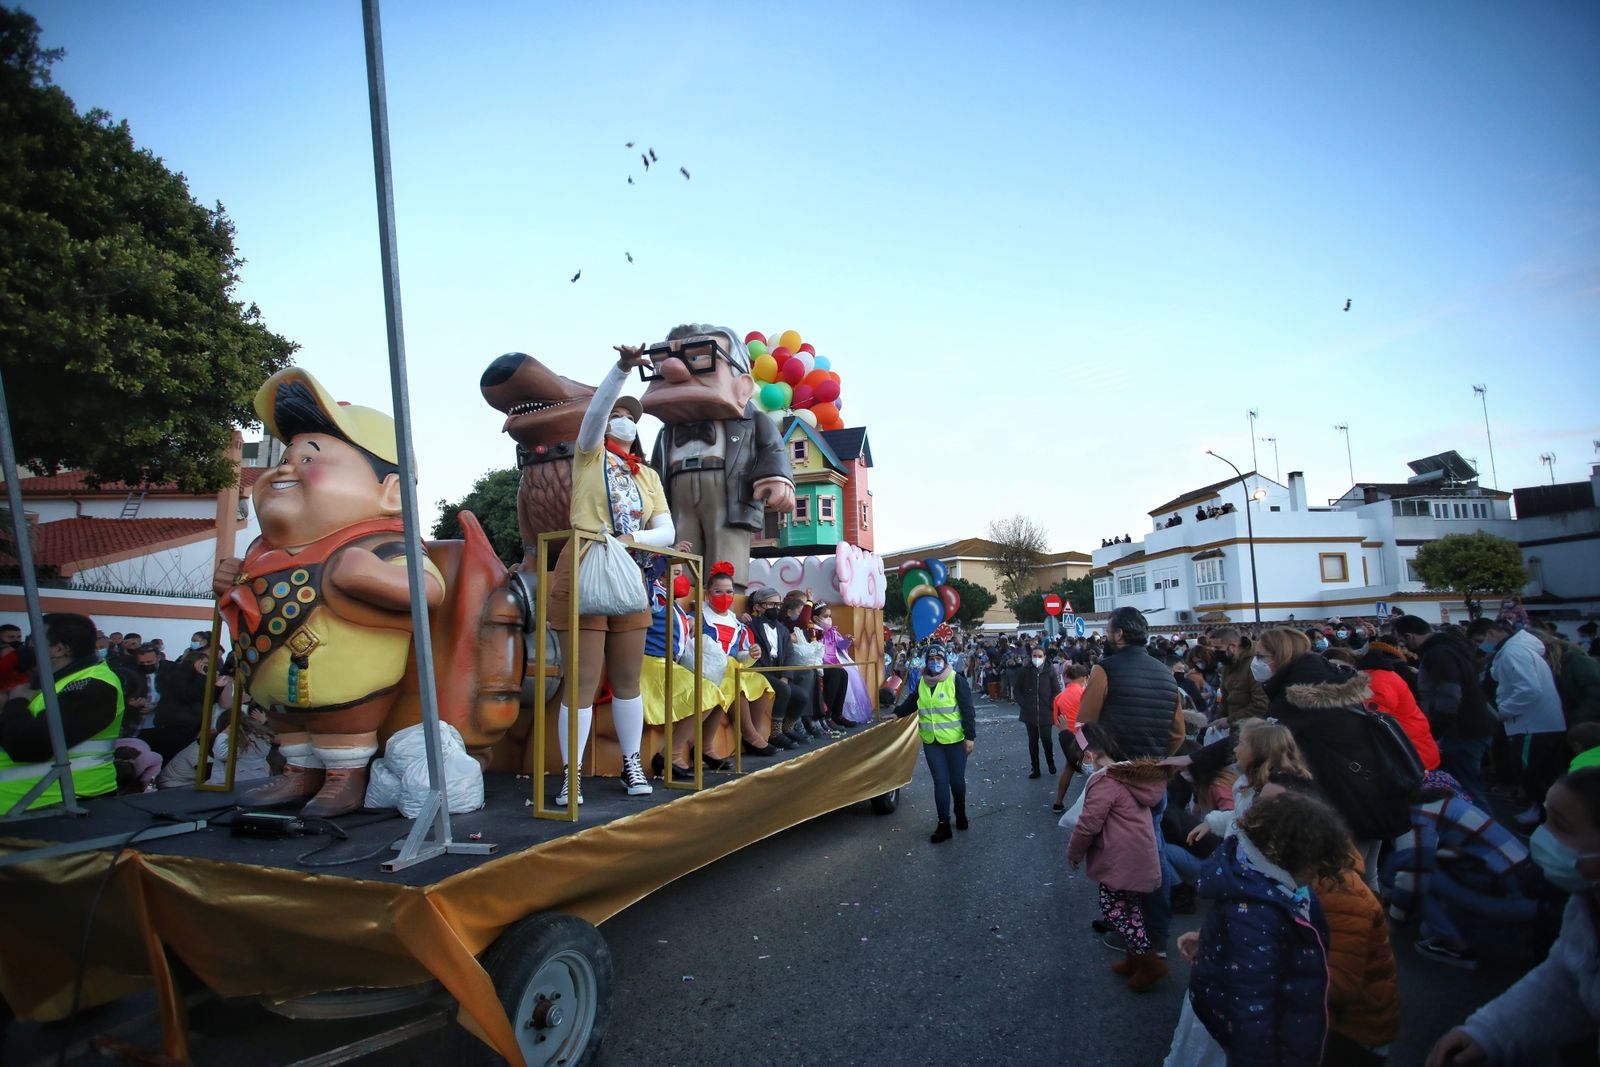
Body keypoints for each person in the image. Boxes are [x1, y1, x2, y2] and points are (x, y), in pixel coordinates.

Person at [212, 368, 447, 817]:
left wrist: (367, 575)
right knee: (291, 728)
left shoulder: (383, 543)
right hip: (274, 681)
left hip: (351, 687)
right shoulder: (264, 551)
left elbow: (429, 590)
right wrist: (231, 580)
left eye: (309, 459)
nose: (285, 467)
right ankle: (298, 771)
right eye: (285, 456)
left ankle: (345, 775)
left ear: (392, 492)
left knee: (341, 725)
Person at [1425, 768, 1600, 1067]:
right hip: (1526, 894)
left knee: (1426, 877)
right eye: (1547, 818)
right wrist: (1491, 1031)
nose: (1543, 836)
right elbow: (1568, 976)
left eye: (1563, 826)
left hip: (1519, 898)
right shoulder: (1587, 901)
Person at [1166, 791, 1343, 1067]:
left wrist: (1209, 939)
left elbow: (1244, 934)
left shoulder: (1268, 889)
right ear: (1290, 856)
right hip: (1273, 1036)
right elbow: (1250, 1010)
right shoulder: (1262, 908)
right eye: (1316, 863)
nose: (1318, 873)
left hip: (1289, 1010)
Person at [641, 324, 796, 588]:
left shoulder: (752, 421)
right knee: (681, 547)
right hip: (677, 496)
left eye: (699, 358)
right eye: (662, 362)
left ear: (743, 385)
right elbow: (654, 470)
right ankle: (682, 597)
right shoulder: (667, 432)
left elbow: (772, 447)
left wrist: (776, 475)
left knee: (726, 545)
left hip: (728, 492)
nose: (673, 370)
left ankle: (727, 598)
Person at [1256, 627, 1410, 887]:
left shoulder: (1302, 694)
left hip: (1351, 794)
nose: (1256, 663)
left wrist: (1200, 759)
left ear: (1281, 655)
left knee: (1345, 880)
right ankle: (1376, 920)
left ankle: (1369, 924)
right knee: (1365, 873)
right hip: (1370, 789)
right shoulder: (1325, 679)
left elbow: (1265, 738)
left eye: (1261, 656)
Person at [1078, 606, 1185, 954]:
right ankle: (1129, 923)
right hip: (1154, 776)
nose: (1106, 636)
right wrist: (1155, 761)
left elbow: (1084, 723)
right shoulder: (1166, 674)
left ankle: (1150, 937)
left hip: (1119, 777)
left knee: (1130, 856)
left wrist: (1093, 757)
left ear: (1119, 634)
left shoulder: (1104, 669)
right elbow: (1177, 733)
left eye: (1109, 630)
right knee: (1150, 850)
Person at [1382, 786, 1545, 971]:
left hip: (1518, 898)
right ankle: (1469, 925)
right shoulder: (1441, 802)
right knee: (1427, 923)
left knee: (1407, 871)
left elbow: (1413, 876)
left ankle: (1455, 946)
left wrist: (1394, 922)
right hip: (1528, 886)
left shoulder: (1418, 819)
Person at [1067, 721, 1171, 991]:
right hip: (1137, 855)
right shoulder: (1129, 774)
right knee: (1131, 907)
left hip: (1120, 859)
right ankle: (1134, 959)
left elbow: (1089, 824)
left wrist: (1074, 852)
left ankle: (1148, 961)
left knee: (1113, 907)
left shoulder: (1105, 782)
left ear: (1089, 755)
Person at [0, 613, 125, 810]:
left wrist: (16, 703)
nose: (26, 649)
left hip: (56, 804)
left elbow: (30, 745)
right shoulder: (51, 679)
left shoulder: (93, 686)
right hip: (26, 802)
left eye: (32, 642)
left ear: (59, 649)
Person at [1393, 614, 1498, 810]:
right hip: (1472, 726)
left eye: (1402, 640)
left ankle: (1481, 831)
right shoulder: (1450, 647)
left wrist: (1434, 731)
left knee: (1468, 790)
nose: (1403, 646)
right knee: (1469, 785)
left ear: (1410, 636)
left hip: (1461, 730)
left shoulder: (1438, 653)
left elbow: (1449, 697)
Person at [1469, 616, 1566, 827]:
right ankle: (1543, 813)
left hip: (1532, 724)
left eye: (1479, 640)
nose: (1481, 646)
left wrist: (1503, 711)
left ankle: (1550, 819)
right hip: (1539, 723)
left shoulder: (1514, 652)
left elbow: (1528, 688)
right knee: (1540, 774)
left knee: (1532, 774)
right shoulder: (1516, 650)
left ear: (1491, 634)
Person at [639, 550, 727, 778]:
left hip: (668, 665)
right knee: (706, 692)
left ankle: (693, 751)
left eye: (680, 573)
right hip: (652, 665)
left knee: (716, 692)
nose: (680, 579)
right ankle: (671, 755)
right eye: (675, 573)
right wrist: (668, 553)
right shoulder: (650, 593)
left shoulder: (672, 601)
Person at [894, 641, 976, 843]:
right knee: (940, 782)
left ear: (945, 660)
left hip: (956, 741)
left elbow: (968, 710)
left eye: (939, 659)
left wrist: (970, 737)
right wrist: (896, 714)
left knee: (956, 782)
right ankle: (943, 825)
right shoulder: (922, 681)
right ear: (926, 662)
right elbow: (912, 702)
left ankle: (960, 811)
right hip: (932, 742)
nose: (935, 663)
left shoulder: (956, 680)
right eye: (931, 659)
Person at [701, 564, 779, 757]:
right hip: (708, 667)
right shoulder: (699, 618)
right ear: (707, 594)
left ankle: (752, 732)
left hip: (733, 666)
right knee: (736, 680)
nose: (725, 596)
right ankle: (751, 735)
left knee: (761, 683)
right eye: (718, 591)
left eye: (729, 591)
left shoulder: (736, 623)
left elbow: (740, 654)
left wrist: (751, 653)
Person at [748, 586, 806, 749]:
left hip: (778, 671)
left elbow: (789, 654)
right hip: (759, 671)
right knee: (784, 690)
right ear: (758, 606)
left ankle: (788, 728)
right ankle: (775, 734)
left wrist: (786, 676)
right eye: (771, 604)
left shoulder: (782, 629)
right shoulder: (750, 624)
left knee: (801, 695)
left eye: (778, 605)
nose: (776, 608)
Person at [1013, 643, 1060, 781]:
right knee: (1032, 741)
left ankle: (1050, 763)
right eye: (1035, 656)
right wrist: (1023, 703)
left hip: (1046, 711)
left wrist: (1051, 705)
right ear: (1031, 656)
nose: (1037, 658)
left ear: (1045, 657)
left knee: (1046, 739)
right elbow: (1017, 689)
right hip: (1030, 712)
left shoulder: (1050, 671)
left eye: (1040, 656)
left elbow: (1057, 691)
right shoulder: (1025, 670)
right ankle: (1035, 768)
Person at [812, 602, 857, 730]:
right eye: (826, 616)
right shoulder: (814, 631)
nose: (829, 619)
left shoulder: (832, 632)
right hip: (820, 664)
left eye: (829, 616)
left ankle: (837, 714)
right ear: (816, 618)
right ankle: (826, 715)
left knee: (844, 673)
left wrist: (847, 640)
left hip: (834, 664)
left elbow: (841, 645)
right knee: (836, 674)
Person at [1051, 664, 1089, 812]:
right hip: (1085, 736)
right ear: (1084, 678)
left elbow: (1057, 721)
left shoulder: (1059, 697)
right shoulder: (1085, 694)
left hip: (1067, 737)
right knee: (1092, 771)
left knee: (1069, 767)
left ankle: (1058, 802)